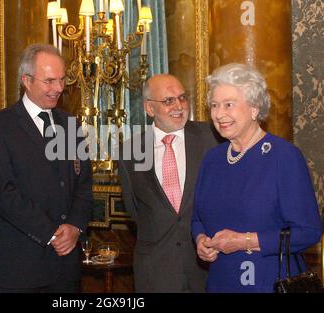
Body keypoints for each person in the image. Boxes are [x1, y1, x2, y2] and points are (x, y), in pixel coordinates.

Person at [192, 63, 323, 292]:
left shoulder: (284, 157)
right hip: (220, 283)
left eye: (228, 105)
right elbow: (197, 219)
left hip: (269, 283)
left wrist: (245, 241)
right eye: (214, 105)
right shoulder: (212, 160)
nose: (219, 114)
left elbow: (309, 231)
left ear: (254, 108)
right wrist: (200, 239)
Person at [0, 43, 93, 293]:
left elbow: (84, 185)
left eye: (62, 80)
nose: (58, 88)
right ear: (26, 80)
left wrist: (75, 227)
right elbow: (5, 194)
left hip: (66, 266)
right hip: (20, 265)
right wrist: (52, 233)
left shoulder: (70, 125)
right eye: (49, 81)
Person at [119, 74, 221, 292]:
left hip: (207, 267)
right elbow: (135, 210)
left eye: (182, 98)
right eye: (168, 101)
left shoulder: (211, 138)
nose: (179, 106)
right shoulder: (130, 151)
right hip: (156, 271)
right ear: (149, 108)